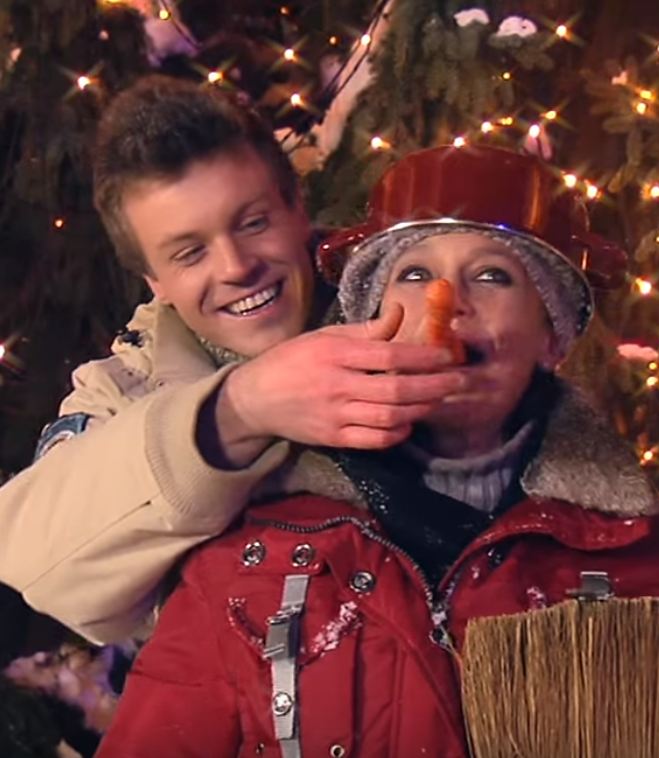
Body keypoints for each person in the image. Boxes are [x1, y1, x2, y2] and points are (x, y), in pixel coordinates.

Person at [95, 144, 659, 757]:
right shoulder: (248, 556)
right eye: (415, 274)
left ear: (551, 337)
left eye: (493, 275)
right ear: (373, 321)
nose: (445, 303)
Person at [0, 75, 465, 642]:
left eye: (253, 224)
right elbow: (38, 565)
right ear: (154, 279)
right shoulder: (120, 389)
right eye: (189, 252)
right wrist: (239, 411)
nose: (236, 267)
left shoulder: (421, 304)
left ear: (296, 208)